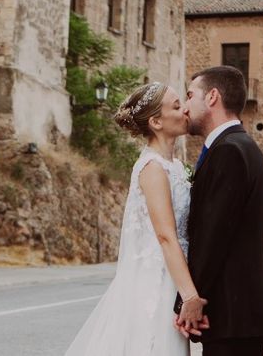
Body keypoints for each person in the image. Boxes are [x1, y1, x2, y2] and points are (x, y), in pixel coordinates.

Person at [65, 82, 207, 356]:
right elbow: (166, 236)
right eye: (176, 106)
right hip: (156, 283)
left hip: (173, 276)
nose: (185, 110)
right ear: (156, 121)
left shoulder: (175, 166)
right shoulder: (152, 168)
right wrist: (190, 296)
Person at [176, 66, 263, 356]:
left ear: (212, 97)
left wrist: (188, 301)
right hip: (241, 314)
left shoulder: (229, 151)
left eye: (189, 95)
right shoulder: (240, 146)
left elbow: (212, 237)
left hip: (235, 314)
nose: (185, 107)